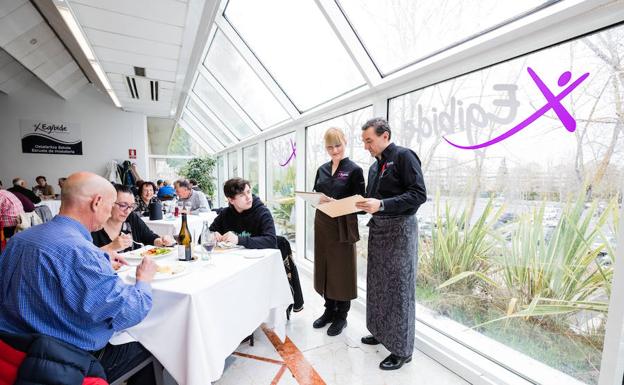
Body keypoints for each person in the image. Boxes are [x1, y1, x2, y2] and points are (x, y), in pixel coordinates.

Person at [0, 172, 158, 384]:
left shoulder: (19, 240)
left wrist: (99, 258)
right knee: (151, 341)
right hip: (64, 359)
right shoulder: (81, 253)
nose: (110, 211)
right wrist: (144, 280)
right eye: (111, 205)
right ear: (97, 202)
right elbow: (129, 311)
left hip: (12, 348)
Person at [355, 117, 427, 371]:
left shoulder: (405, 156)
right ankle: (380, 332)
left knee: (399, 291)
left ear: (385, 136)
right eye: (364, 141)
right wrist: (355, 205)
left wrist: (382, 205)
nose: (366, 146)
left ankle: (402, 350)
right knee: (377, 286)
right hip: (379, 231)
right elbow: (373, 201)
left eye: (369, 141)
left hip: (400, 232)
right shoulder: (375, 168)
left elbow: (419, 194)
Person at [311, 128, 365, 337]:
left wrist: (339, 203)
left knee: (341, 271)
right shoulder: (322, 169)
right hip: (323, 223)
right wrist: (319, 198)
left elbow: (361, 203)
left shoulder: (354, 170)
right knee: (325, 267)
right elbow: (315, 193)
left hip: (343, 225)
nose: (334, 150)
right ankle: (329, 310)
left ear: (345, 142)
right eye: (330, 147)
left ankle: (341, 316)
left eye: (338, 145)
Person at [92, 184, 174, 254]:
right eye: (123, 205)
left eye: (131, 206)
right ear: (110, 203)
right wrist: (111, 247)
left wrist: (161, 241)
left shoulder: (131, 218)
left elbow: (149, 237)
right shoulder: (94, 227)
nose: (127, 211)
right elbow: (84, 259)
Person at [209, 178, 276, 249]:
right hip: (234, 257)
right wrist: (212, 235)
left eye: (248, 192)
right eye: (242, 195)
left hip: (261, 258)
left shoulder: (262, 212)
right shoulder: (225, 214)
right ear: (231, 200)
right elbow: (202, 237)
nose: (248, 197)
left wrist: (238, 240)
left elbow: (271, 241)